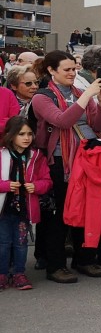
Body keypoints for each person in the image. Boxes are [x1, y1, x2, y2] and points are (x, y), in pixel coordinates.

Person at [30, 50, 101, 283]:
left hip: (85, 159)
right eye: (67, 69)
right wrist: (87, 96)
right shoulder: (42, 97)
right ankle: (55, 265)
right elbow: (62, 122)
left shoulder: (79, 92)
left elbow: (98, 125)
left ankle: (83, 259)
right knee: (60, 214)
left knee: (85, 211)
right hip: (59, 162)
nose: (72, 73)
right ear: (51, 71)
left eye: (74, 69)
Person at [0, 116, 52, 290]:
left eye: (30, 133)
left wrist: (36, 186)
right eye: (21, 133)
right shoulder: (1, 154)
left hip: (24, 209)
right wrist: (5, 185)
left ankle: (19, 274)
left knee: (21, 244)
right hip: (3, 209)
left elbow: (47, 180)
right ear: (10, 135)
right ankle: (2, 274)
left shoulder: (36, 156)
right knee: (3, 243)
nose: (26, 138)